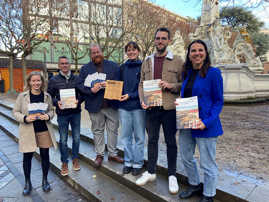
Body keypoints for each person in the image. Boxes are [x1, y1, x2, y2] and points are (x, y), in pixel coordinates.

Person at [136, 27, 183, 194]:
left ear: (169, 41)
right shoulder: (147, 61)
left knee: (171, 142)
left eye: (163, 38)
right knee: (152, 140)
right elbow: (141, 83)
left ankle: (172, 175)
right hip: (151, 108)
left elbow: (183, 84)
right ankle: (151, 171)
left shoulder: (178, 61)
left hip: (169, 109)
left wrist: (171, 86)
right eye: (158, 38)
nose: (160, 41)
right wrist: (142, 99)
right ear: (154, 40)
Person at [177, 39, 223, 202]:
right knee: (186, 156)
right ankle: (195, 184)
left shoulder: (213, 73)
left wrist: (207, 121)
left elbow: (218, 101)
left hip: (205, 125)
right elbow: (187, 95)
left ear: (205, 53)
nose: (197, 53)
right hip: (187, 122)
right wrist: (180, 102)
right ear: (189, 55)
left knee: (207, 163)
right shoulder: (186, 73)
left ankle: (209, 194)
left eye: (200, 50)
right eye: (193, 51)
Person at [77, 44, 123, 168]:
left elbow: (120, 83)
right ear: (90, 55)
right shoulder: (85, 69)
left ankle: (113, 153)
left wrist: (111, 85)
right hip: (94, 105)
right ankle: (100, 154)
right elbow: (80, 85)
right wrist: (91, 90)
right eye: (93, 53)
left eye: (98, 52)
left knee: (113, 130)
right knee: (97, 130)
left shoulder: (114, 66)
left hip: (111, 104)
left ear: (102, 52)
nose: (96, 54)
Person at [13, 71, 57, 195]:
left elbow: (52, 110)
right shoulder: (22, 96)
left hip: (44, 130)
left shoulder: (47, 96)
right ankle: (27, 182)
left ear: (42, 82)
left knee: (45, 156)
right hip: (28, 131)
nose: (36, 83)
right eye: (34, 81)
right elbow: (15, 112)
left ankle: (45, 180)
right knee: (27, 158)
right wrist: (25, 118)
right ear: (29, 82)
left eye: (38, 80)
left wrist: (48, 116)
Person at [48, 56, 83, 176]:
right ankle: (64, 162)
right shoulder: (53, 80)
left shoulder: (77, 78)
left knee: (77, 138)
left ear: (70, 65)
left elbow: (82, 94)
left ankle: (75, 159)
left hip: (75, 113)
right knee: (63, 140)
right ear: (59, 65)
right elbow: (49, 96)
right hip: (62, 114)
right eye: (62, 63)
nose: (64, 65)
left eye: (66, 63)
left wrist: (79, 100)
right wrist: (55, 102)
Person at [118, 41, 145, 176]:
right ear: (126, 52)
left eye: (134, 49)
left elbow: (144, 87)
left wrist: (131, 95)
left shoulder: (144, 66)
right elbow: (118, 85)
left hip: (138, 107)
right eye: (129, 50)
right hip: (124, 107)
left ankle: (138, 163)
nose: (131, 52)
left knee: (139, 137)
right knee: (125, 137)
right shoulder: (122, 68)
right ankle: (128, 162)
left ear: (138, 51)